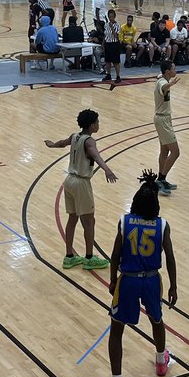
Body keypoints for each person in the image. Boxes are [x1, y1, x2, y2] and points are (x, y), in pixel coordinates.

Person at [99, 171, 178, 377]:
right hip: (152, 280)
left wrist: (113, 279)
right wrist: (173, 285)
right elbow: (170, 257)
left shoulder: (125, 222)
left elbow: (115, 255)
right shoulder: (162, 225)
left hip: (129, 280)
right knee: (157, 320)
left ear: (135, 201)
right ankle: (161, 362)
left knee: (117, 330)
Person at [45, 108, 118, 270]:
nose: (98, 124)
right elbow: (96, 155)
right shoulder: (89, 141)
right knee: (89, 221)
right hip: (81, 183)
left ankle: (69, 257)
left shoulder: (74, 136)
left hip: (69, 181)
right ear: (92, 125)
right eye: (97, 122)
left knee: (72, 219)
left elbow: (62, 143)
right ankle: (89, 258)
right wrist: (107, 169)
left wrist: (52, 145)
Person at [153, 59, 180, 195]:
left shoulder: (162, 78)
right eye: (174, 68)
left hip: (164, 119)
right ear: (168, 71)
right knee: (175, 152)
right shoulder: (162, 83)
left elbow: (161, 78)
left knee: (164, 151)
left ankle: (161, 179)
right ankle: (161, 180)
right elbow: (163, 87)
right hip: (162, 120)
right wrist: (170, 84)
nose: (176, 70)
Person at [102, 8, 123, 83]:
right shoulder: (106, 25)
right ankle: (108, 74)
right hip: (107, 44)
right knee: (107, 61)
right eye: (110, 16)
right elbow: (105, 35)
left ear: (114, 16)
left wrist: (112, 27)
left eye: (112, 16)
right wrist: (103, 44)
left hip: (114, 44)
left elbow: (116, 36)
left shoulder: (117, 25)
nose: (111, 18)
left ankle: (118, 76)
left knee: (116, 61)